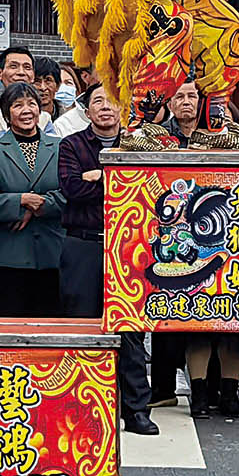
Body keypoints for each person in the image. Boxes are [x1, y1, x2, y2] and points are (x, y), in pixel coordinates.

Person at [57, 90, 155, 434]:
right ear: (86, 110)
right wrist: (115, 178)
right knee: (81, 325)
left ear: (123, 107)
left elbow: (146, 189)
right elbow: (71, 188)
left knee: (130, 329)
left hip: (129, 247)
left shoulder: (139, 144)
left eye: (113, 101)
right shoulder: (70, 145)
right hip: (83, 244)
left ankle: (137, 409)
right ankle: (82, 407)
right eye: (98, 101)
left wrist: (99, 175)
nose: (106, 107)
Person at [0, 84, 64, 317]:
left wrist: (40, 206)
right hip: (9, 255)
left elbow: (71, 192)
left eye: (31, 104)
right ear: (6, 113)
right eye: (17, 105)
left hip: (52, 254)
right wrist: (19, 201)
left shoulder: (60, 147)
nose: (26, 110)